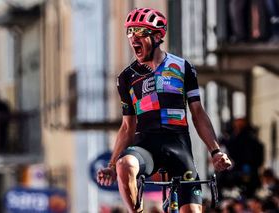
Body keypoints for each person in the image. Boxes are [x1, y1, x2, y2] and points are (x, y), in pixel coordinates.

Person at [97, 7, 232, 213]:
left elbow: (197, 113)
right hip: (146, 147)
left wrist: (215, 151)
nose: (134, 38)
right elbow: (127, 126)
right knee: (125, 166)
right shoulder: (126, 77)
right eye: (130, 32)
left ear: (158, 35)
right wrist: (111, 164)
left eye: (140, 32)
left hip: (178, 147)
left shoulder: (183, 68)